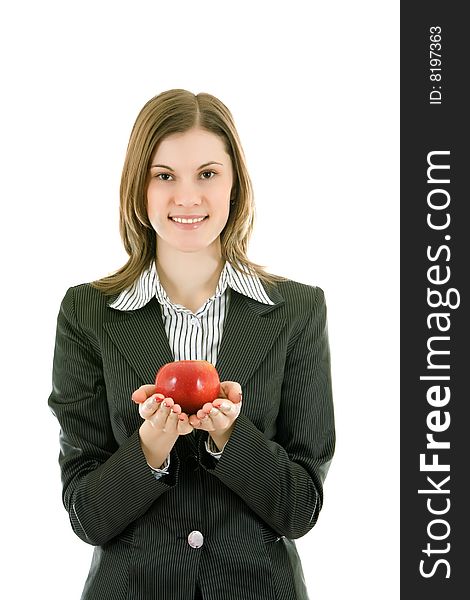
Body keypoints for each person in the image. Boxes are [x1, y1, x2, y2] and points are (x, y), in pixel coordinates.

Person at [48, 88, 335, 600]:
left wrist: (232, 438)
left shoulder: (297, 311)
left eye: (207, 174)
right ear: (140, 188)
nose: (187, 197)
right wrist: (149, 449)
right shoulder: (86, 314)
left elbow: (300, 508)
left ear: (234, 186)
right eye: (164, 176)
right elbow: (87, 516)